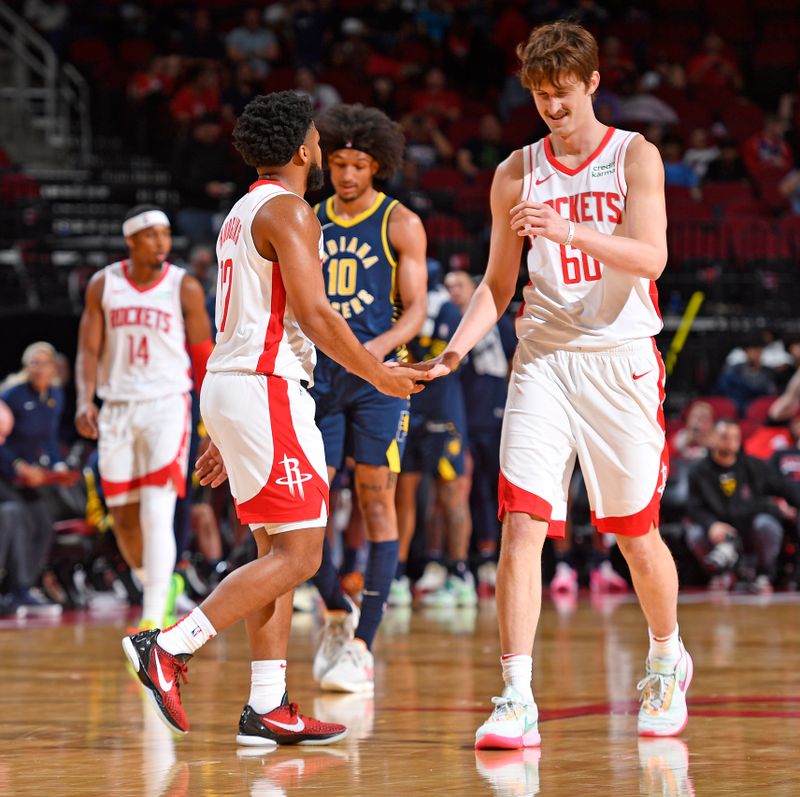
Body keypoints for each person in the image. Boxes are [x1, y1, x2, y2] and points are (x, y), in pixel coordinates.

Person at [418, 21, 691, 747]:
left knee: (635, 534)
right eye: (540, 97)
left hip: (620, 357)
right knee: (521, 524)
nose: (553, 109)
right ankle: (515, 693)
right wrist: (452, 352)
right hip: (541, 358)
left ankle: (667, 656)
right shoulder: (515, 171)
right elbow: (497, 284)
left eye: (564, 95)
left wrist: (567, 231)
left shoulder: (635, 155)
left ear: (593, 83)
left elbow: (652, 256)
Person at [122, 92, 425, 742]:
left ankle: (267, 703)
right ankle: (172, 643)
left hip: (239, 389)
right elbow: (317, 315)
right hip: (265, 388)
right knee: (300, 552)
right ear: (301, 150)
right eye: (317, 140)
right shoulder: (290, 209)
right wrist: (381, 372)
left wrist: (224, 431)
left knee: (276, 549)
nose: (320, 149)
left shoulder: (242, 211)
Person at [308, 103, 428, 693]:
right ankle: (335, 608)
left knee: (377, 504)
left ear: (378, 166)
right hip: (322, 378)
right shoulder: (309, 218)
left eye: (357, 165)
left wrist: (373, 352)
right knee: (310, 508)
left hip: (380, 379)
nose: (347, 175)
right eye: (338, 164)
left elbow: (417, 314)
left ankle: (362, 646)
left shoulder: (399, 222)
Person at [75, 205, 214, 630]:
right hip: (117, 409)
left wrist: (212, 419)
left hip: (168, 404)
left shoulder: (183, 286)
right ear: (131, 240)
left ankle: (152, 618)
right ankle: (158, 582)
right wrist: (85, 400)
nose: (162, 243)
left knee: (158, 510)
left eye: (166, 234)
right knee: (125, 521)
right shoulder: (104, 285)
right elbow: (89, 351)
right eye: (152, 235)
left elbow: (203, 355)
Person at [394, 264, 476, 608]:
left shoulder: (443, 307)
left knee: (451, 495)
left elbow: (442, 361)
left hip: (444, 412)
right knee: (404, 495)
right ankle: (395, 575)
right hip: (410, 409)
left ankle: (459, 574)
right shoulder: (402, 306)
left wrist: (399, 367)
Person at [443, 269, 516, 589]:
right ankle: (465, 560)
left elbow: (516, 360)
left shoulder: (496, 322)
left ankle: (492, 556)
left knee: (494, 488)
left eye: (459, 285)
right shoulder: (448, 325)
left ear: (474, 288)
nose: (453, 292)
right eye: (448, 287)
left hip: (495, 413)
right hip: (460, 418)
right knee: (462, 488)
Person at [687, 420, 799, 592]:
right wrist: (712, 525)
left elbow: (784, 486)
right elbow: (693, 507)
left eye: (735, 438)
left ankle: (763, 574)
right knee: (694, 533)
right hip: (720, 532)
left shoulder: (753, 466)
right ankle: (720, 574)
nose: (731, 442)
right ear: (712, 438)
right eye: (725, 437)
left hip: (749, 528)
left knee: (766, 524)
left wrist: (784, 506)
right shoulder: (698, 471)